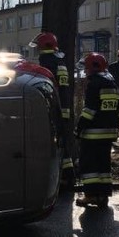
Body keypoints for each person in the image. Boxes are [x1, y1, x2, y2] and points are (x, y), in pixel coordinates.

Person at [75, 53, 119, 208]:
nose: (85, 71)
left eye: (86, 68)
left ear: (92, 68)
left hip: (93, 132)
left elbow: (89, 111)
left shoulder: (94, 84)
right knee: (103, 165)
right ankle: (103, 195)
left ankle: (90, 195)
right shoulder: (113, 84)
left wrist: (79, 128)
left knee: (89, 165)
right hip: (108, 132)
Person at [29, 30, 74, 187]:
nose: (37, 49)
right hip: (62, 107)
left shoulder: (48, 61)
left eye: (38, 47)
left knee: (57, 143)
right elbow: (63, 87)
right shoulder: (59, 61)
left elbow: (48, 87)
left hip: (55, 108)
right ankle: (68, 177)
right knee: (62, 143)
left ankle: (63, 178)